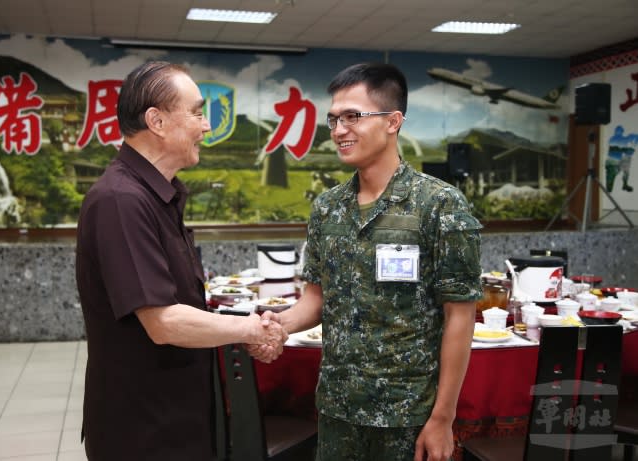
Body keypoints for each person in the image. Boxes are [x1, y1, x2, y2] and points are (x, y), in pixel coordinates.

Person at [251, 62, 482, 461]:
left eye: (353, 117)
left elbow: (460, 316)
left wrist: (443, 418)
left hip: (407, 415)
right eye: (334, 119)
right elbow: (315, 301)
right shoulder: (327, 209)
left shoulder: (439, 204)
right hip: (339, 411)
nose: (340, 130)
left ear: (393, 121)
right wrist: (274, 326)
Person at [75, 61, 287, 461]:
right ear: (156, 120)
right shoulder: (121, 201)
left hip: (175, 416)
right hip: (143, 430)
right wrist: (251, 329)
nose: (206, 126)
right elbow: (163, 321)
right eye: (196, 112)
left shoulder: (158, 194)